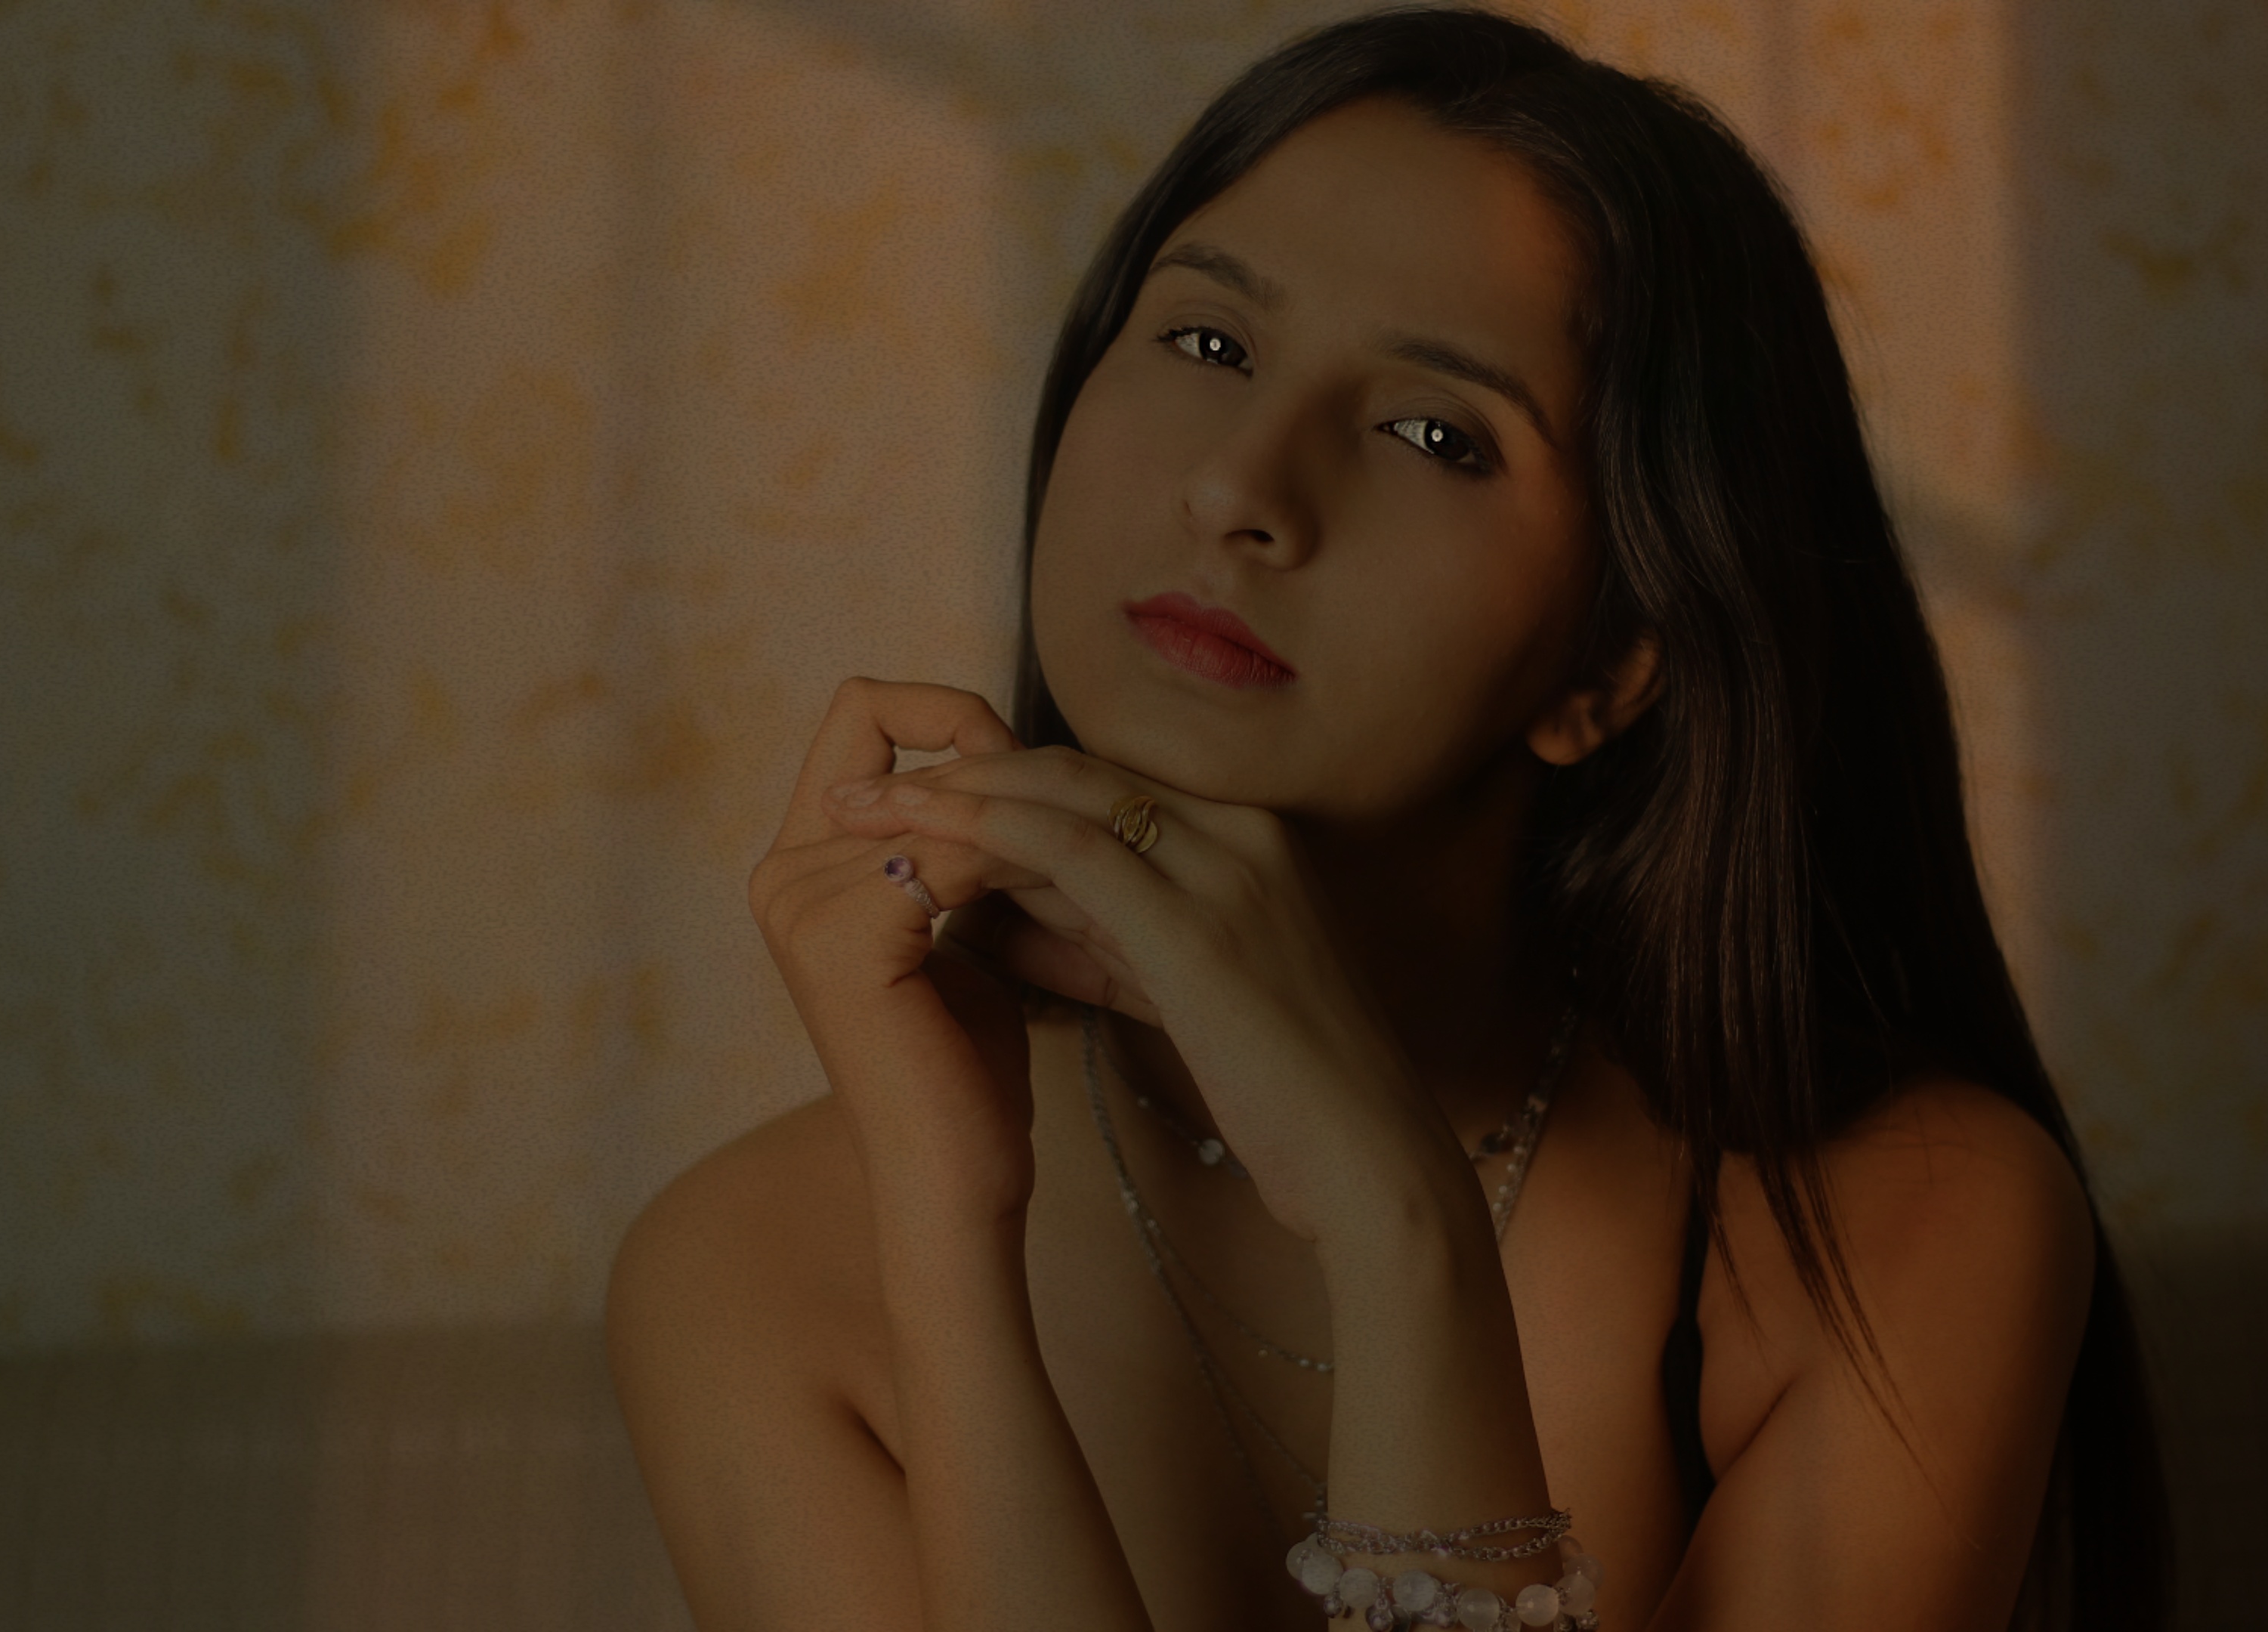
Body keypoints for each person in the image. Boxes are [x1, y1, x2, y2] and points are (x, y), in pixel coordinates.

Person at [606, 8, 2169, 1629]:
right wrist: (943, 1227)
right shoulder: (749, 1269)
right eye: (1208, 344)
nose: (1240, 488)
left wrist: (1397, 1222)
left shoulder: (1908, 1222)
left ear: (1613, 659)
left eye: (1435, 434)